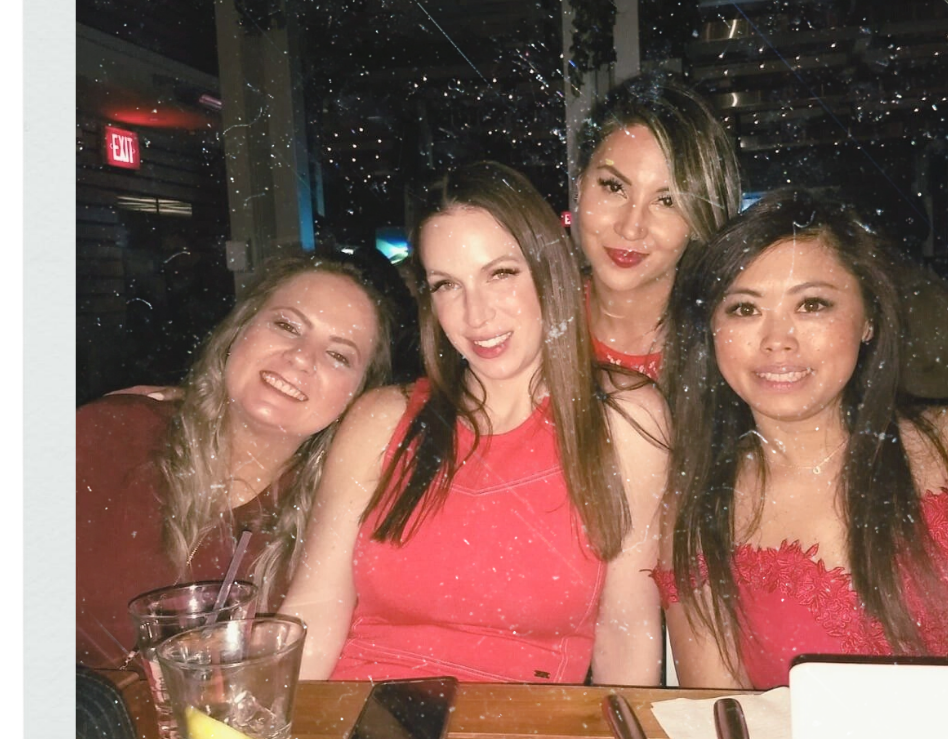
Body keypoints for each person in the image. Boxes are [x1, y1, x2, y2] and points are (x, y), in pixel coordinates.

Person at [282, 162, 668, 685]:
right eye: (447, 285)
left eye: (501, 274)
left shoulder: (625, 418)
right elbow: (314, 610)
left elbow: (627, 626)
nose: (476, 315)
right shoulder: (381, 420)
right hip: (363, 725)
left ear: (547, 268)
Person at [658, 190, 948, 689]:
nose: (777, 340)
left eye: (812, 305)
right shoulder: (699, 512)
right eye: (744, 310)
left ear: (869, 319)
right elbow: (720, 723)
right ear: (710, 331)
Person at [77, 254, 392, 668]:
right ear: (238, 331)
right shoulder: (110, 434)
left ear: (359, 397)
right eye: (286, 325)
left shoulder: (339, 519)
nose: (301, 357)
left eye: (339, 356)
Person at [573, 73, 741, 381]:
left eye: (667, 202)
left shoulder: (731, 350)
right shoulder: (527, 327)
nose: (631, 227)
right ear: (580, 184)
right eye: (613, 187)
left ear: (698, 219)